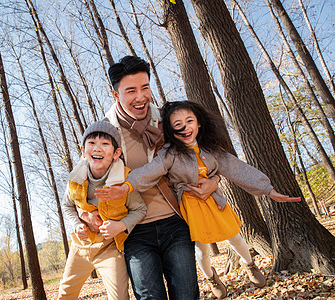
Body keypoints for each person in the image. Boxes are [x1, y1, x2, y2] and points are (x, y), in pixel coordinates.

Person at [96, 100, 301, 299]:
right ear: (171, 130)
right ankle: (211, 278)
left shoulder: (212, 150)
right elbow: (150, 171)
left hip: (214, 202)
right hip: (190, 208)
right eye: (178, 125)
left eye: (189, 121)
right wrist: (126, 186)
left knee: (234, 236)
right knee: (201, 249)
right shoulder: (171, 153)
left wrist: (268, 189)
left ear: (199, 122)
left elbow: (238, 169)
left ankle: (249, 264)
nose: (185, 128)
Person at [81, 56, 220, 300]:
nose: (140, 97)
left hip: (175, 222)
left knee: (187, 295)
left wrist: (215, 180)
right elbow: (85, 183)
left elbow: (201, 153)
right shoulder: (103, 133)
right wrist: (87, 213)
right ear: (116, 95)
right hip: (133, 230)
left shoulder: (166, 120)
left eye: (145, 88)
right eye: (131, 90)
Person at [58, 120, 147, 300]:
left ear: (116, 153)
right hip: (80, 247)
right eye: (91, 143)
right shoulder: (75, 178)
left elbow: (140, 209)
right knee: (66, 293)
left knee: (120, 296)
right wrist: (77, 225)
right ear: (83, 151)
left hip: (110, 247)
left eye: (105, 144)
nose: (97, 148)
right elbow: (67, 205)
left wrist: (120, 225)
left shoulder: (123, 179)